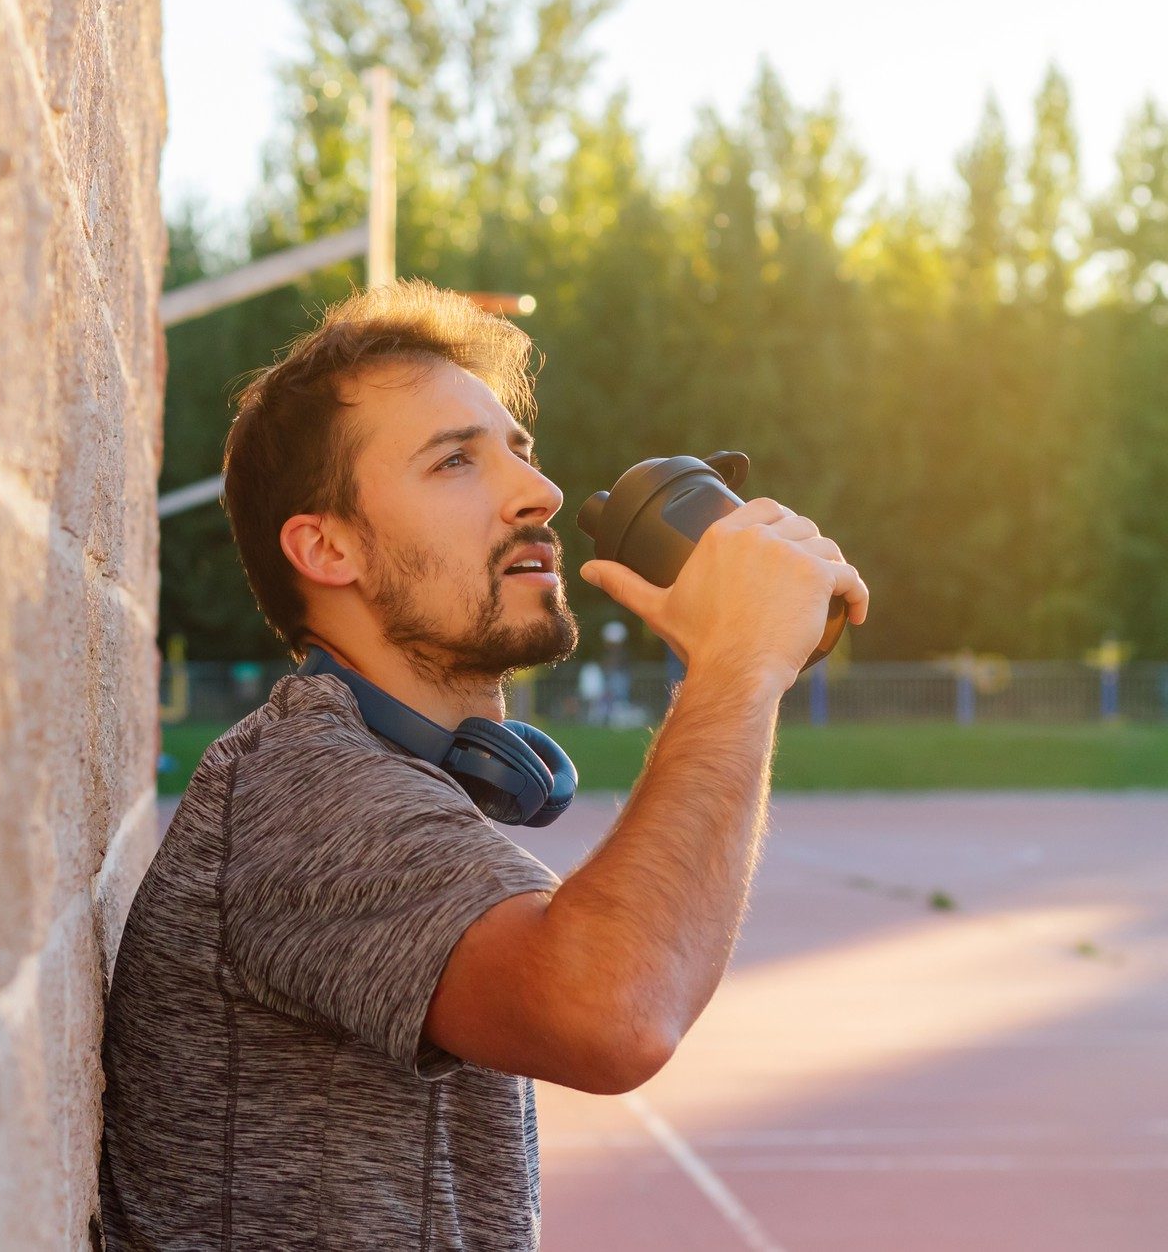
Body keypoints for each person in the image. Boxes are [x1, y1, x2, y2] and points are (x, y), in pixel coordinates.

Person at [97, 280, 867, 1250]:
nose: (536, 492)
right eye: (454, 459)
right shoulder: (303, 788)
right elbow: (613, 1007)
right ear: (326, 545)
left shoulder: (382, 777)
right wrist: (737, 664)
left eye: (520, 451)